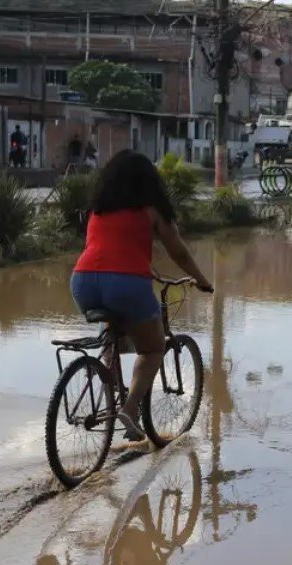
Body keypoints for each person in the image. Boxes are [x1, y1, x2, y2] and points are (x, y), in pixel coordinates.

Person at [71, 150, 215, 441]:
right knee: (151, 349)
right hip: (126, 283)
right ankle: (129, 408)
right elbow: (178, 252)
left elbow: (108, 249)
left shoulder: (98, 209)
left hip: (83, 281)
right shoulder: (152, 210)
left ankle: (108, 375)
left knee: (113, 328)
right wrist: (203, 281)